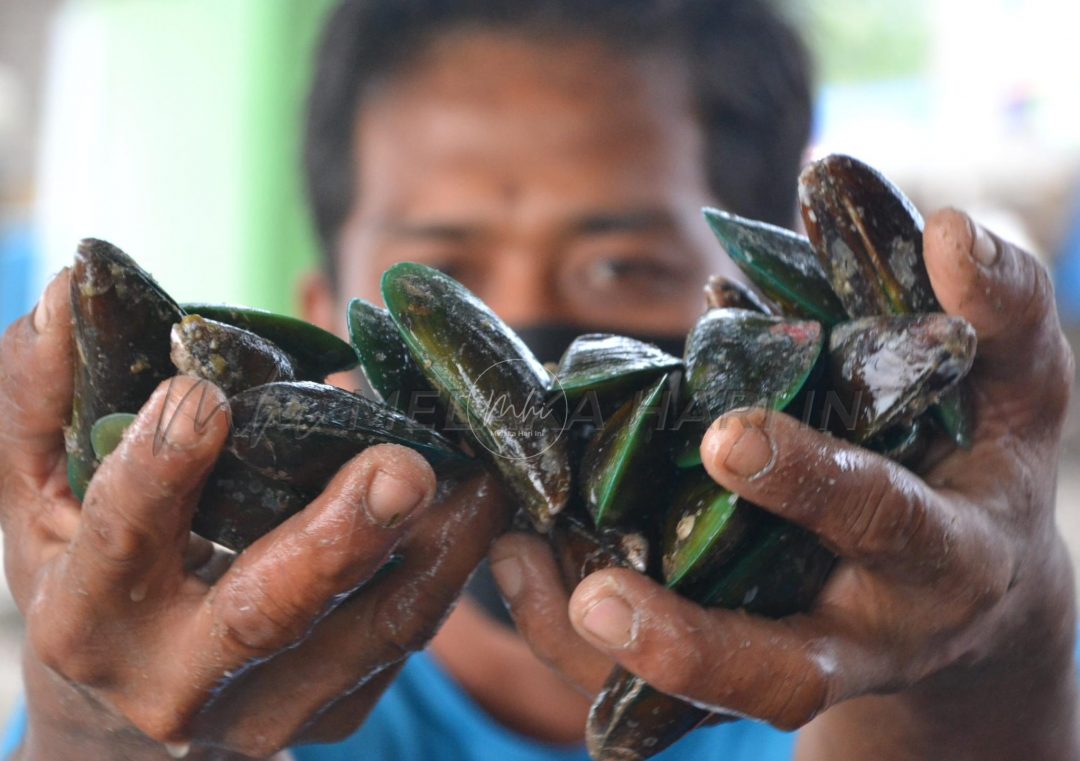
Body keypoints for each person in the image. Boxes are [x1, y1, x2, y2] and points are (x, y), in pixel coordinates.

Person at [1, 1, 1077, 759]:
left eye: (623, 267)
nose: (524, 345)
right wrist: (95, 731)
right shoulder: (230, 698)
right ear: (324, 322)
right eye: (450, 277)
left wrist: (992, 654)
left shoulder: (875, 667)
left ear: (772, 324)